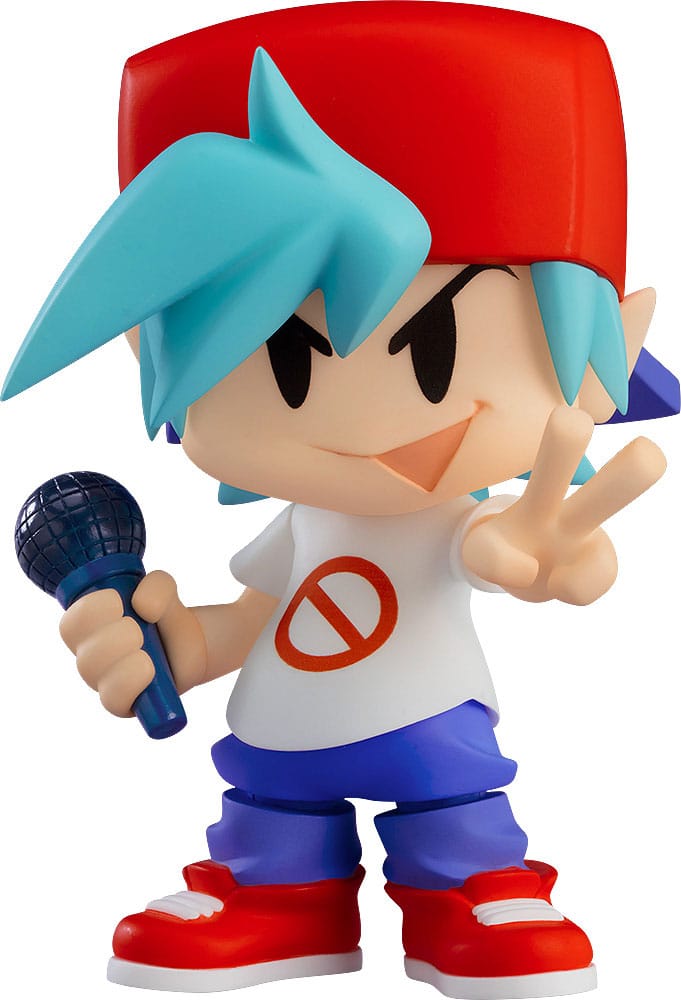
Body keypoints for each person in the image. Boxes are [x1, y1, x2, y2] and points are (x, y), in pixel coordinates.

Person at [3, 4, 677, 998]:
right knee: (269, 813)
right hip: (280, 736)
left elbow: (509, 547)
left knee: (455, 813)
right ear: (150, 354)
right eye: (286, 361)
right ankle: (278, 899)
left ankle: (474, 890)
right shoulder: (300, 525)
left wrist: (546, 552)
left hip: (429, 729)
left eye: (438, 350)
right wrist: (178, 645)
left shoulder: (457, 525)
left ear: (602, 347)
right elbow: (260, 616)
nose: (370, 428)